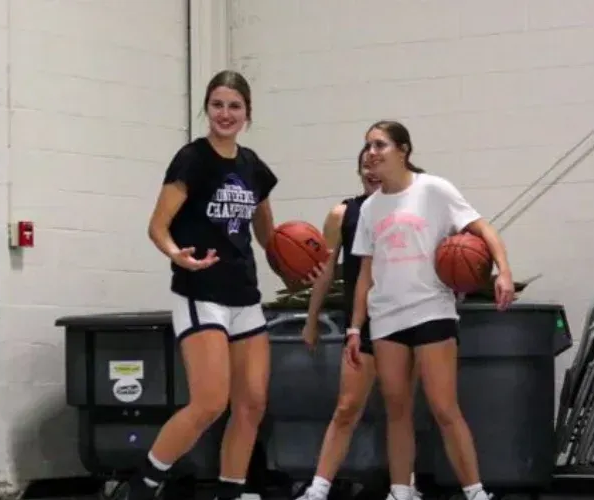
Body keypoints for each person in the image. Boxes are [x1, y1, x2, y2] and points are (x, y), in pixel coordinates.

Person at [114, 69, 312, 500]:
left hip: (244, 294)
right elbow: (157, 225)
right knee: (209, 402)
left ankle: (231, 490)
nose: (225, 113)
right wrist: (175, 253)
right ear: (207, 108)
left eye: (234, 106)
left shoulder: (253, 166)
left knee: (253, 402)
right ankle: (144, 482)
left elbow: (266, 230)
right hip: (199, 291)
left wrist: (286, 267)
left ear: (247, 113)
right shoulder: (192, 159)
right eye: (218, 104)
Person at [348, 120, 513, 500]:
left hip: (431, 310)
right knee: (397, 410)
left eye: (380, 145)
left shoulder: (434, 189)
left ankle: (475, 493)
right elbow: (364, 276)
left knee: (443, 407)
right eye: (368, 145)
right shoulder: (370, 209)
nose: (372, 152)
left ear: (403, 150)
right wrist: (356, 328)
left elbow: (483, 229)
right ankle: (401, 491)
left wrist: (503, 271)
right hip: (387, 318)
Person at [295, 150, 422, 500]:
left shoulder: (409, 210)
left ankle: (403, 489)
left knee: (400, 408)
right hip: (360, 322)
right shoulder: (343, 214)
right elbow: (324, 272)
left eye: (377, 163)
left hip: (402, 319)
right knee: (347, 406)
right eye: (364, 166)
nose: (371, 170)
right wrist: (311, 319)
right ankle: (318, 489)